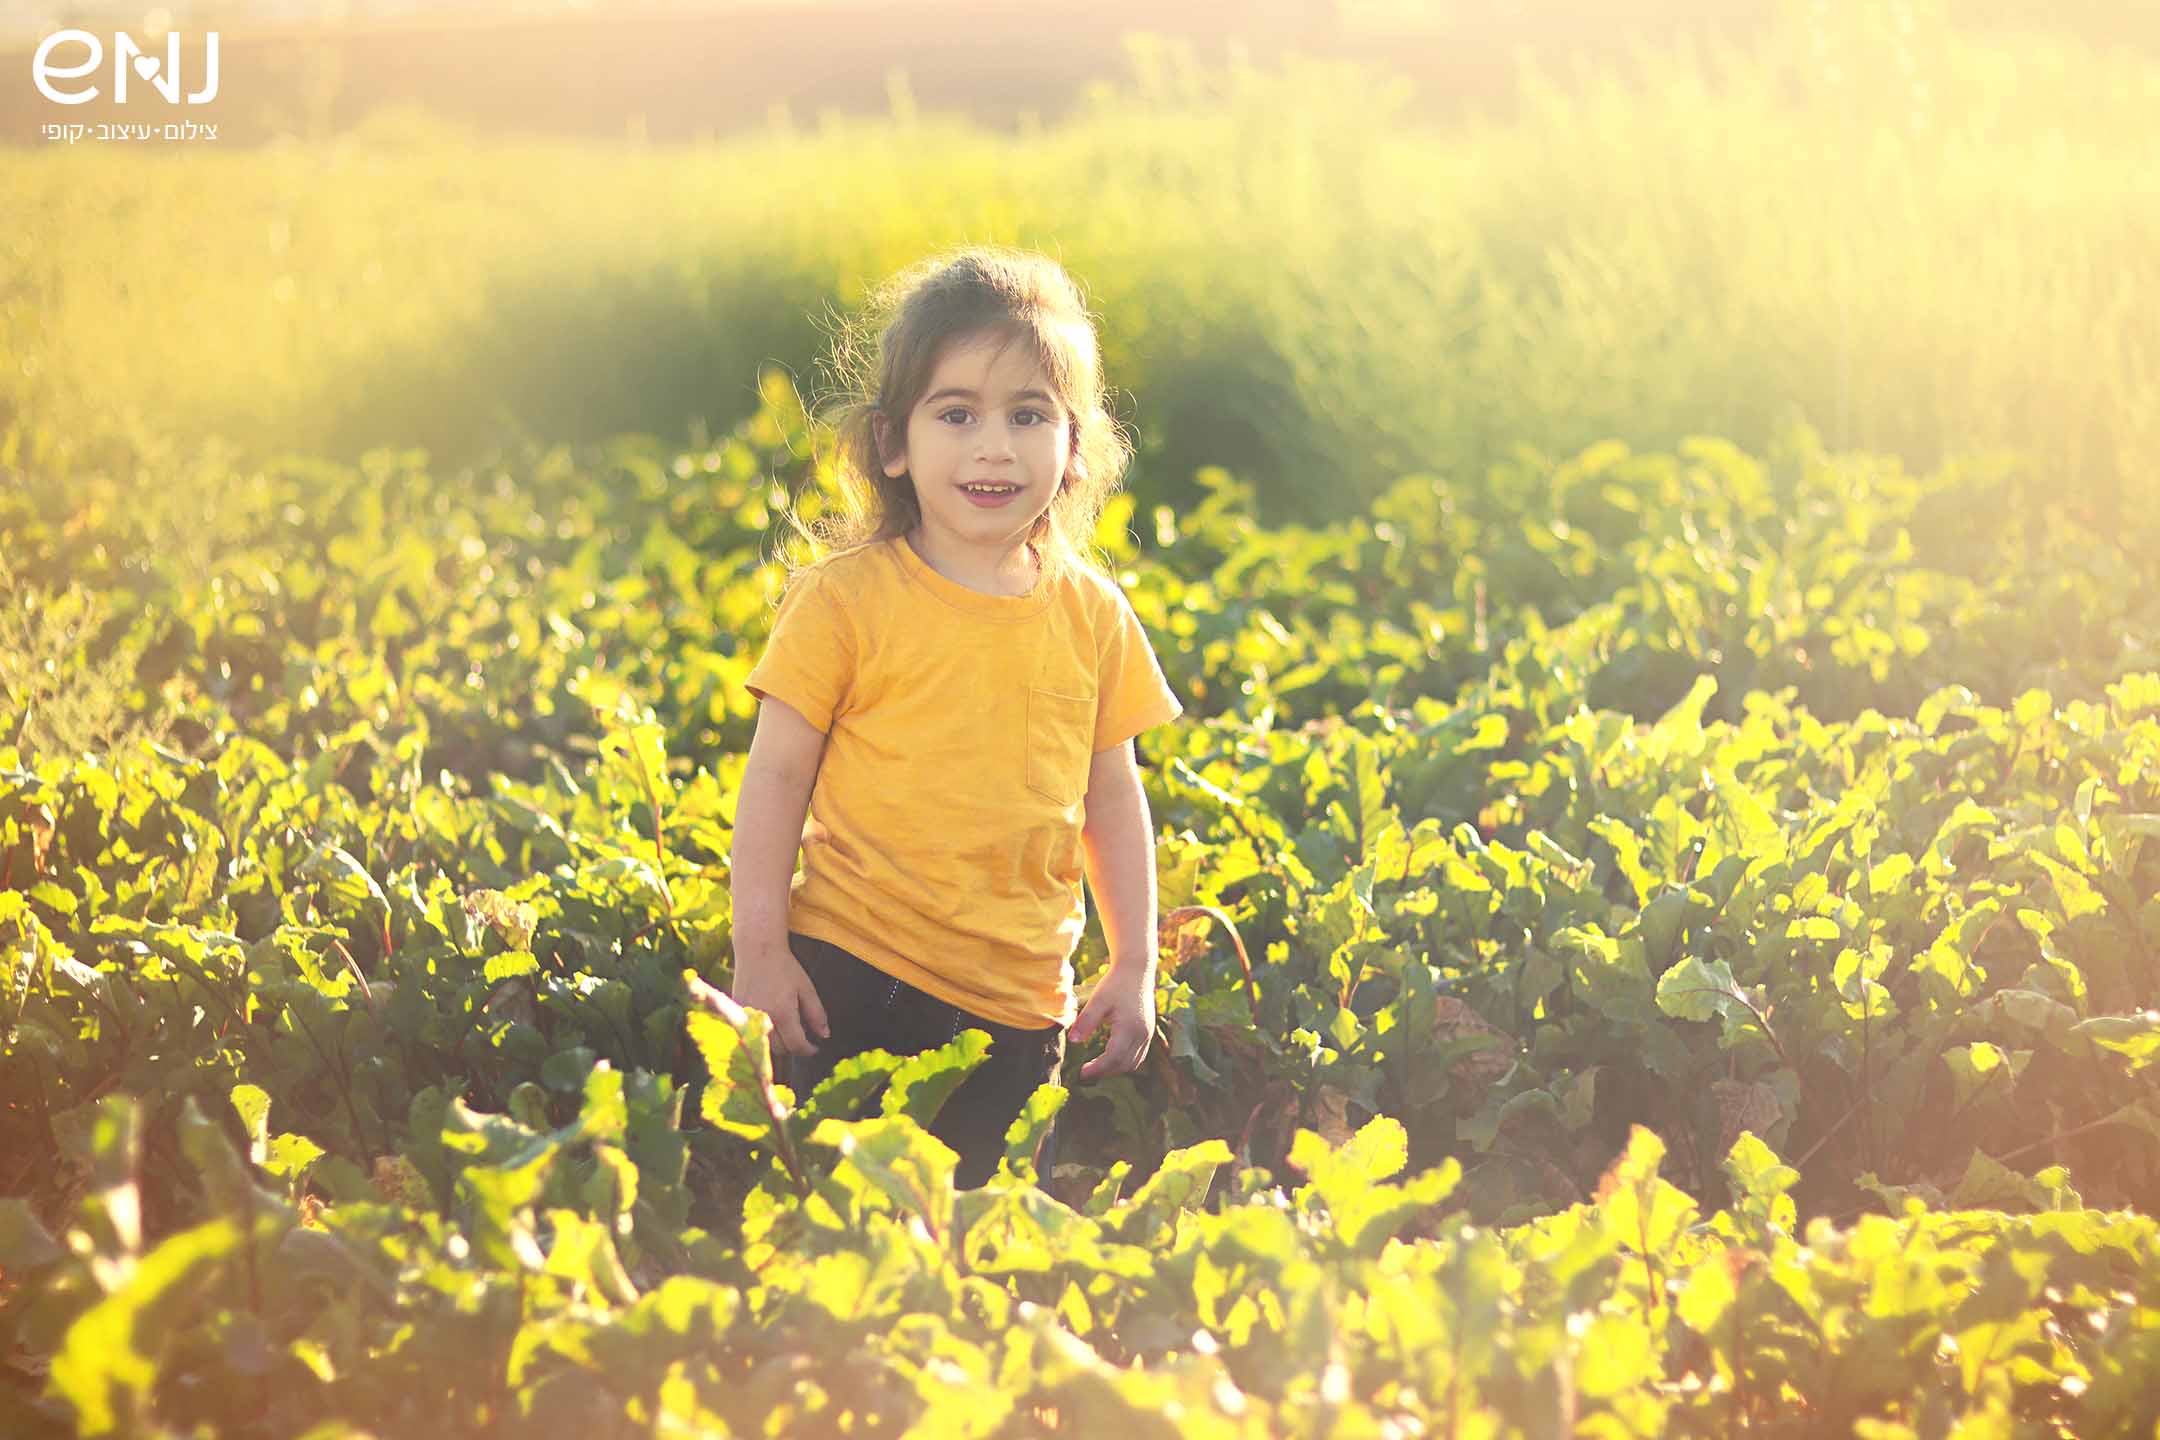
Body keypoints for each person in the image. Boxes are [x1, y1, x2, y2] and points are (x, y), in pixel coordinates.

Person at [728, 246, 1183, 1191]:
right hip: (851, 972)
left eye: (1029, 415)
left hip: (1018, 1004)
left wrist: (1134, 960)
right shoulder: (843, 601)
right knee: (841, 1222)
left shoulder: (1094, 616)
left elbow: (1112, 796)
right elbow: (775, 776)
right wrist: (761, 950)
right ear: (892, 443)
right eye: (957, 414)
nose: (994, 447)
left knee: (983, 1240)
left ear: (1073, 450)